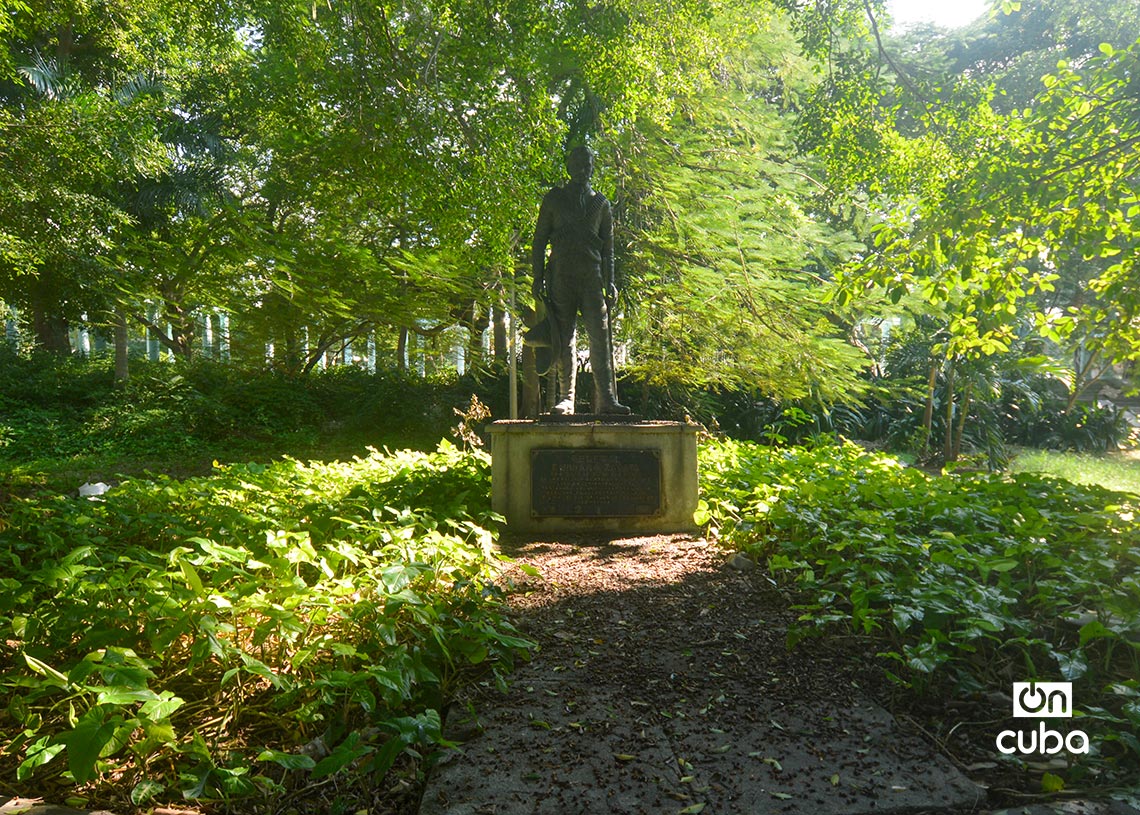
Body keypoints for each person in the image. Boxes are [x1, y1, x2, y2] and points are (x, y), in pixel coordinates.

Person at [530, 146, 630, 416]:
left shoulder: (602, 204)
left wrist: (610, 282)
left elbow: (608, 249)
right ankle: (567, 399)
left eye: (586, 164)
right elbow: (539, 240)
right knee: (564, 338)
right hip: (561, 277)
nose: (581, 168)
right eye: (576, 163)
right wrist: (537, 276)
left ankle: (607, 399)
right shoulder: (554, 199)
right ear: (568, 166)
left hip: (592, 280)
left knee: (600, 336)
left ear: (592, 167)